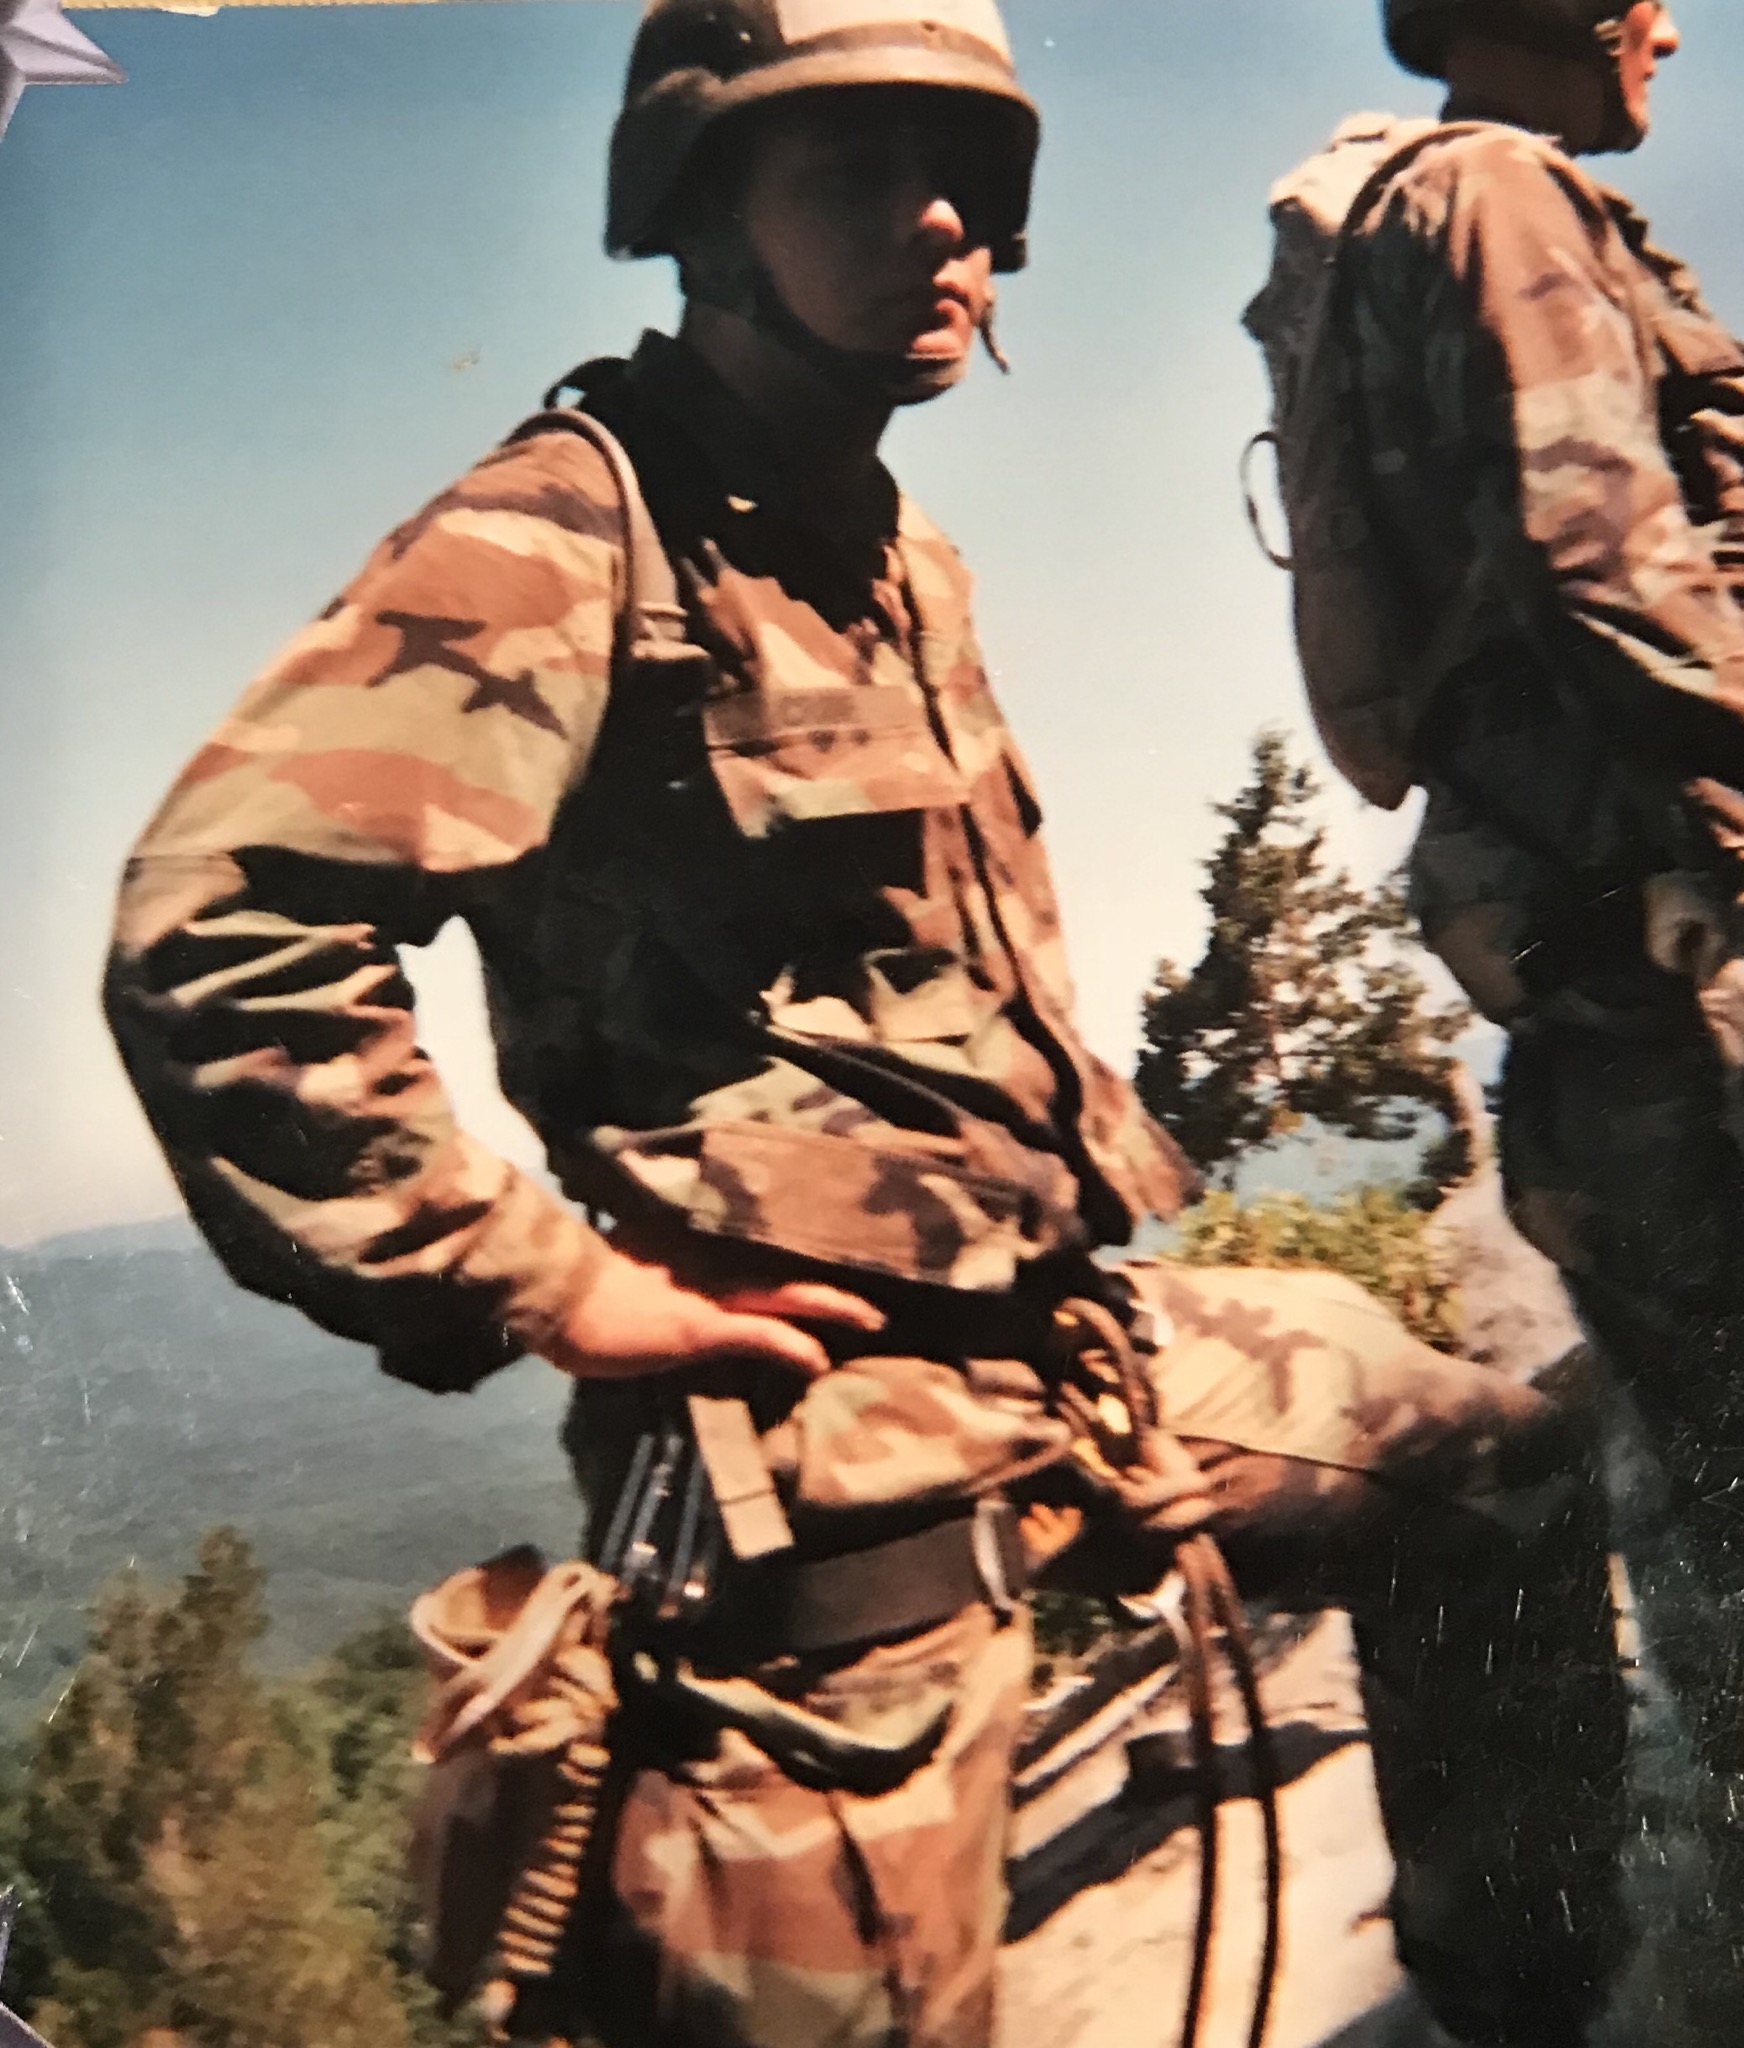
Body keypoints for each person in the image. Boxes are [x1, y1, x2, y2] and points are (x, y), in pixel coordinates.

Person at [104, 3, 1626, 2043]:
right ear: (697, 208)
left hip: (1060, 1356)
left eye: (962, 178)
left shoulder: (894, 553)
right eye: (844, 168)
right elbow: (220, 920)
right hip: (819, 1453)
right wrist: (542, 1278)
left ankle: (1504, 1993)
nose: (932, 223)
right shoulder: (568, 532)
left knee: (1498, 1481)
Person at [1250, 0, 1744, 2019]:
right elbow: (1604, 557)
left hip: (1588, 970)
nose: (1663, 24)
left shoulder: (1408, 217)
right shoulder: (1502, 200)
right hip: (1682, 953)